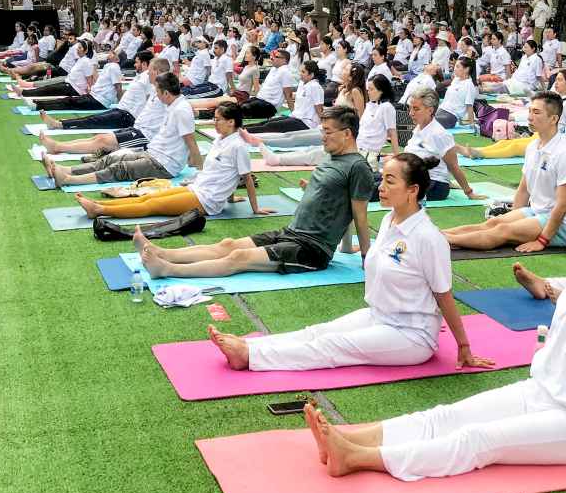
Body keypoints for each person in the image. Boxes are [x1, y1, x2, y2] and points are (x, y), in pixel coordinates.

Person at [305, 195, 566, 482]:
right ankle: (351, 436)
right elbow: (555, 312)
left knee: (478, 440)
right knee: (448, 415)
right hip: (538, 391)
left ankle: (359, 457)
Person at [206, 153, 495, 372]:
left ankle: (250, 357)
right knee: (318, 332)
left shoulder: (428, 238)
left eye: (390, 181)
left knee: (332, 347)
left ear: (413, 190)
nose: (380, 186)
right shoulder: (388, 220)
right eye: (381, 178)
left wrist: (464, 346)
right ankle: (251, 344)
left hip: (410, 335)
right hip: (379, 316)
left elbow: (443, 294)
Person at [134, 106, 373, 278]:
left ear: (347, 134)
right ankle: (163, 252)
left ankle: (166, 269)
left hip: (311, 249)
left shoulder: (357, 166)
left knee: (238, 258)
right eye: (322, 130)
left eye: (328, 132)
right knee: (228, 244)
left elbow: (358, 213)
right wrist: (344, 246)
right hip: (291, 232)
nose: (323, 136)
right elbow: (342, 207)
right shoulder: (331, 158)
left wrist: (365, 257)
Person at [75, 104, 272, 220]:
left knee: (151, 206)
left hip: (206, 201)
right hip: (197, 188)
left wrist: (255, 209)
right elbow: (224, 175)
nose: (214, 122)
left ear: (231, 122)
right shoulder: (220, 139)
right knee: (148, 197)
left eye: (218, 119)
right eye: (214, 118)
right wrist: (229, 198)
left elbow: (245, 179)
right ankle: (97, 203)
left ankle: (100, 210)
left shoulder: (238, 146)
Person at [443, 92, 566, 252]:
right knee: (495, 223)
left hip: (563, 224)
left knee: (502, 231)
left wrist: (542, 241)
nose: (530, 117)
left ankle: (440, 241)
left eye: (536, 112)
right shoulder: (533, 147)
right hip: (537, 212)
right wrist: (514, 222)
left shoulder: (565, 152)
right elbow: (523, 190)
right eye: (530, 111)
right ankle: (438, 235)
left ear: (553, 119)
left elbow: (563, 205)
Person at [42, 72, 201, 187]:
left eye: (158, 92)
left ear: (166, 93)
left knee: (119, 169)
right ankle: (66, 170)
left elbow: (191, 141)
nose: (157, 96)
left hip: (164, 165)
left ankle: (69, 179)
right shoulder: (173, 105)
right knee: (111, 159)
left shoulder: (181, 110)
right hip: (153, 154)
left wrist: (199, 171)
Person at [373, 88, 482, 203]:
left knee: (372, 189)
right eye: (410, 108)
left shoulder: (439, 134)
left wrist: (469, 192)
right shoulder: (419, 128)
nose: (411, 113)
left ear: (430, 110)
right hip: (411, 176)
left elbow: (453, 167)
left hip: (435, 185)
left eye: (416, 109)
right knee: (368, 177)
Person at [39, 52, 158, 134]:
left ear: (144, 64)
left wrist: (141, 122)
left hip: (126, 116)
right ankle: (55, 121)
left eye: (136, 62)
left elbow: (148, 100)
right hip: (121, 110)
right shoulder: (142, 77)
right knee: (91, 118)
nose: (134, 64)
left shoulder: (147, 78)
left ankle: (58, 124)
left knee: (92, 121)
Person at [245, 61, 324, 134]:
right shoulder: (302, 83)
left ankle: (242, 132)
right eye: (300, 71)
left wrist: (323, 125)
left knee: (270, 126)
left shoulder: (315, 87)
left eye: (303, 72)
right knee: (267, 122)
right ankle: (239, 129)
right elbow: (301, 96)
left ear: (311, 75)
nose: (300, 74)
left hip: (306, 123)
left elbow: (319, 109)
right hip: (296, 117)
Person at [34, 51, 122, 111]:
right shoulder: (109, 66)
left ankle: (40, 105)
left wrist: (121, 103)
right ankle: (41, 104)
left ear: (117, 59)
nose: (110, 54)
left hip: (99, 101)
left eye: (113, 53)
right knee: (68, 100)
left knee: (69, 102)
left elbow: (118, 87)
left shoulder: (114, 67)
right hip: (94, 96)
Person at [15, 39, 95, 98]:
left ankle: (24, 91)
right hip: (69, 82)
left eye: (80, 48)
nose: (77, 49)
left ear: (86, 50)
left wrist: (90, 92)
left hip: (73, 87)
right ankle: (26, 86)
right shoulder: (81, 59)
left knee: (48, 89)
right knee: (48, 86)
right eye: (78, 47)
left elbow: (89, 80)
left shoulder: (86, 62)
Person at [356, 74, 399, 172]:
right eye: (368, 90)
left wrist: (397, 157)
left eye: (371, 89)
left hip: (370, 154)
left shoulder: (387, 107)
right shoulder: (370, 105)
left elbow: (392, 133)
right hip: (359, 150)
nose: (368, 92)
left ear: (381, 90)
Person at [241, 49, 295, 118]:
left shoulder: (285, 72)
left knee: (243, 109)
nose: (272, 58)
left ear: (284, 61)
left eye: (276, 57)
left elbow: (288, 95)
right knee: (239, 106)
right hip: (260, 99)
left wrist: (294, 113)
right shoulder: (274, 68)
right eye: (273, 56)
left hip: (269, 105)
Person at [435, 57, 477, 128]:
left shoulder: (469, 85)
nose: (454, 69)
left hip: (450, 116)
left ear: (467, 69)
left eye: (457, 66)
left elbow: (469, 106)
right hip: (440, 110)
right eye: (455, 66)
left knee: (426, 121)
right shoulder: (456, 80)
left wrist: (472, 124)